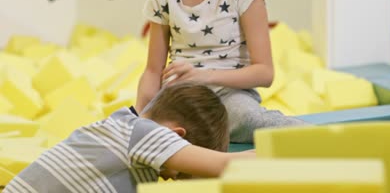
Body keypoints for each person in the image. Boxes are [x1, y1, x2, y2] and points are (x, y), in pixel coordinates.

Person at [136, 0, 306, 143]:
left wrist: (203, 75)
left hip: (230, 96)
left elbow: (265, 73)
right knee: (150, 129)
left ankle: (320, 139)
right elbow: (153, 71)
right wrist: (141, 116)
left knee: (247, 119)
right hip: (180, 98)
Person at [4, 82, 253, 193]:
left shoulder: (120, 140)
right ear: (174, 136)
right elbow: (224, 165)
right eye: (178, 172)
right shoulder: (139, 132)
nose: (168, 177)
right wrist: (286, 152)